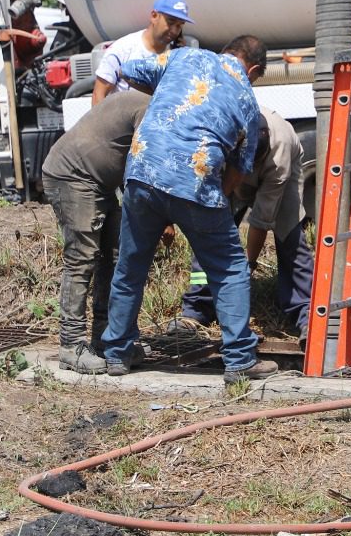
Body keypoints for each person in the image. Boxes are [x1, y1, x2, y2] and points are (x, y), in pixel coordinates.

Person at [100, 35, 279, 383]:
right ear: (253, 68)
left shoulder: (183, 58)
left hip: (142, 171)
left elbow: (129, 68)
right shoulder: (246, 98)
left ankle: (117, 353)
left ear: (228, 50)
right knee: (229, 269)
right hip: (194, 180)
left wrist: (170, 96)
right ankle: (240, 359)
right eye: (255, 75)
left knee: (130, 267)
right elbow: (240, 169)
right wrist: (213, 198)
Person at [40, 90, 151, 374]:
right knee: (82, 258)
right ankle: (70, 345)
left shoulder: (145, 101)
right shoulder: (148, 108)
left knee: (112, 256)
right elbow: (141, 164)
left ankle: (106, 338)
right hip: (72, 176)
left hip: (98, 182)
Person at [178, 110, 312, 338]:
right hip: (229, 166)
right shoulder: (220, 134)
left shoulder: (279, 156)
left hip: (279, 173)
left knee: (289, 237)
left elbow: (260, 221)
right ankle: (196, 309)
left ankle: (306, 315)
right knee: (209, 233)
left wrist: (247, 263)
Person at [91, 0, 193, 104]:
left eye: (179, 25)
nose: (174, 30)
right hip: (126, 119)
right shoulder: (122, 49)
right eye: (170, 22)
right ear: (154, 16)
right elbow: (98, 95)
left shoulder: (177, 55)